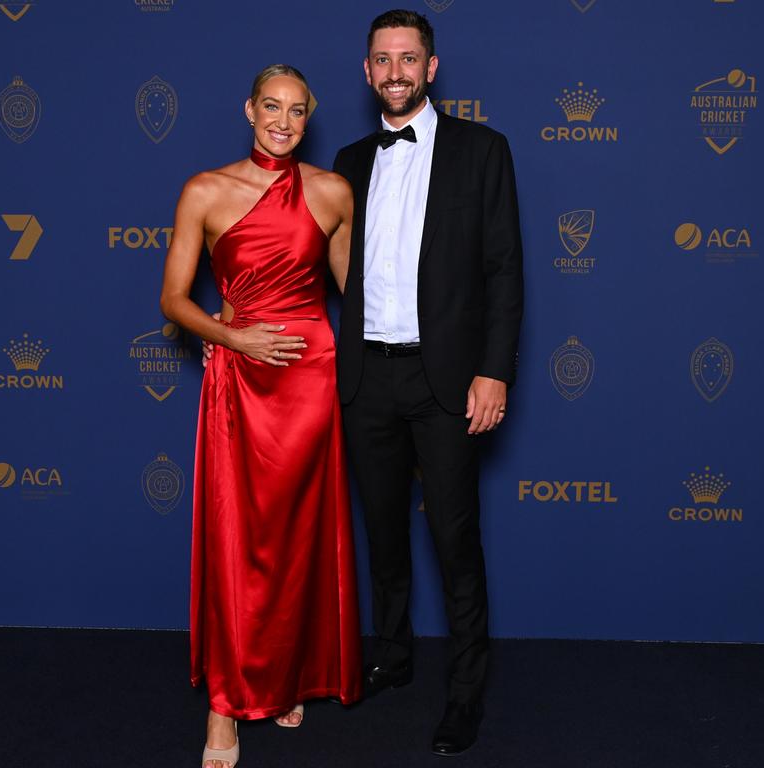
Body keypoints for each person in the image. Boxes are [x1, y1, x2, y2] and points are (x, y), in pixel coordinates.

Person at [331, 9, 524, 757]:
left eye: (409, 59)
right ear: (368, 70)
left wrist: (494, 370)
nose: (396, 72)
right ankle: (393, 653)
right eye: (383, 60)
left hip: (447, 376)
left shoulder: (483, 150)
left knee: (454, 538)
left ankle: (467, 692)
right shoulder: (347, 160)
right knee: (381, 530)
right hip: (365, 376)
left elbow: (504, 270)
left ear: (431, 69)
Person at [160, 65, 362, 768]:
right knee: (239, 537)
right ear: (249, 108)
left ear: (310, 117)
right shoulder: (205, 190)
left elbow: (355, 294)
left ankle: (282, 676)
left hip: (310, 379)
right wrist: (233, 336)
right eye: (271, 106)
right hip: (240, 378)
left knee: (296, 535)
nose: (283, 120)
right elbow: (175, 301)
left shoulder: (333, 191)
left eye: (297, 110)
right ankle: (226, 704)